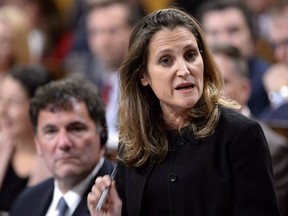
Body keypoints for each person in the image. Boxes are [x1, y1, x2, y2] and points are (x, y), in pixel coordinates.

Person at [87, 8, 280, 216]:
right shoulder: (134, 141)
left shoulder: (240, 135)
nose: (184, 70)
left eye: (190, 55)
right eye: (166, 60)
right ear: (143, 75)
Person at [10, 78, 115, 216]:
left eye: (76, 129)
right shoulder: (26, 202)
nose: (63, 143)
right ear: (38, 144)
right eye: (51, 131)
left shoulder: (124, 199)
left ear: (102, 136)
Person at [210, 43, 288, 216]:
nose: (211, 92)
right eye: (206, 82)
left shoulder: (273, 148)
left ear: (245, 89)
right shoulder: (188, 141)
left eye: (222, 82)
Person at [68, 0, 142, 152]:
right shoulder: (90, 82)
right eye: (95, 32)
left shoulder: (147, 82)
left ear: (135, 31)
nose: (103, 41)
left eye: (112, 31)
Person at [198, 0, 271, 118]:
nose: (223, 40)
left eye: (233, 31)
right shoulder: (193, 82)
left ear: (254, 39)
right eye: (214, 33)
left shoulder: (270, 83)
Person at [0, 64, 52, 214]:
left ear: (39, 108)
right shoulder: (2, 145)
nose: (2, 110)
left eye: (14, 102)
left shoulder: (57, 159)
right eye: (1, 98)